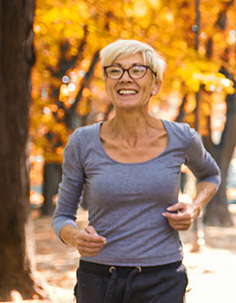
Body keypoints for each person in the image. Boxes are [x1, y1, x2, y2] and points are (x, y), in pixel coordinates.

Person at [52, 39, 221, 302]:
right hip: (98, 281)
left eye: (137, 70)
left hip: (162, 280)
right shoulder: (82, 142)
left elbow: (211, 175)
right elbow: (61, 216)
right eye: (115, 70)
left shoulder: (181, 137)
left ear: (155, 84)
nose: (125, 78)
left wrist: (194, 207)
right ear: (107, 81)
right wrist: (75, 237)